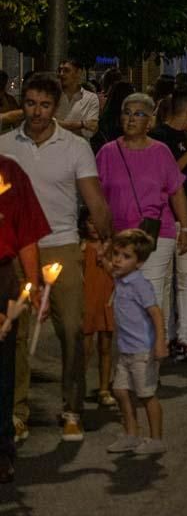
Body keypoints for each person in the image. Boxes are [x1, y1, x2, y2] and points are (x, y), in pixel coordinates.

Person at [0, 73, 113, 443]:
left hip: (61, 244)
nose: (36, 111)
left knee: (71, 329)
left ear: (54, 108)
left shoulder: (75, 147)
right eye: (30, 103)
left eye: (44, 105)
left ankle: (72, 408)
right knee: (14, 335)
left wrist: (106, 240)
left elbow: (93, 198)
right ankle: (16, 412)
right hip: (15, 252)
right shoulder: (6, 146)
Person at [95, 93, 187, 363]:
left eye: (138, 114)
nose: (131, 118)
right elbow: (97, 196)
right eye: (127, 112)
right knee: (124, 299)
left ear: (150, 121)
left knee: (152, 294)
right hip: (119, 238)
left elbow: (176, 193)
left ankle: (149, 362)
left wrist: (185, 229)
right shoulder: (107, 152)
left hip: (155, 235)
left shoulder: (161, 152)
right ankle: (128, 359)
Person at [147, 86, 187, 361]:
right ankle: (166, 335)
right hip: (163, 216)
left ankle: (184, 335)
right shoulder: (156, 138)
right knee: (164, 279)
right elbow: (164, 176)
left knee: (185, 277)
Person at [0, 157, 50, 483]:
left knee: (2, 368)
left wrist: (33, 287)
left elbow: (27, 235)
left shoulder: (10, 171)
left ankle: (1, 451)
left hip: (0, 278)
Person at [105, 229, 169, 456]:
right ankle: (131, 433)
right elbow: (105, 261)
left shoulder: (140, 284)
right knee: (121, 390)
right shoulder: (120, 279)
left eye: (125, 256)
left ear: (139, 262)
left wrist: (160, 342)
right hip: (125, 349)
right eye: (116, 254)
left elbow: (155, 313)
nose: (117, 260)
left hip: (143, 350)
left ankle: (156, 438)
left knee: (146, 394)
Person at [80, 209, 115, 409]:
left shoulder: (111, 247)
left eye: (97, 222)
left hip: (106, 299)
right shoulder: (82, 247)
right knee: (84, 349)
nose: (93, 226)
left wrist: (107, 258)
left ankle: (103, 389)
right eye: (89, 222)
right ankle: (79, 390)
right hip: (87, 300)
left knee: (106, 347)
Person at [55, 59, 100, 139]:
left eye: (66, 70)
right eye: (59, 70)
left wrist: (58, 125)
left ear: (78, 73)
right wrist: (82, 124)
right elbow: (47, 123)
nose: (61, 74)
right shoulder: (52, 96)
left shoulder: (91, 98)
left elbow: (89, 132)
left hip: (80, 149)